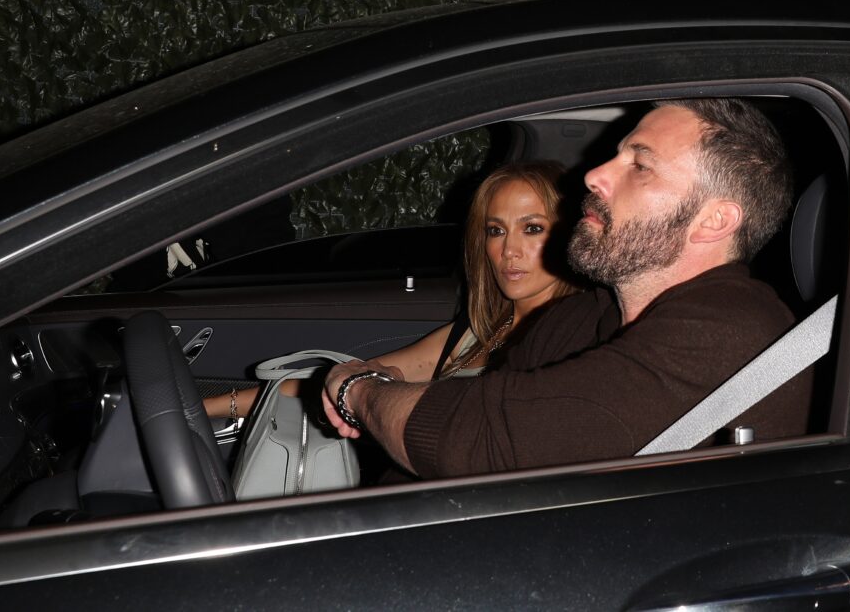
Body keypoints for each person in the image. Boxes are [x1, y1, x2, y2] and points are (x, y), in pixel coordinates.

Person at [321, 98, 813, 478]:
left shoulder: (733, 331)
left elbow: (475, 440)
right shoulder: (580, 318)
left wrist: (357, 390)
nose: (594, 175)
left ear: (713, 221)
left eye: (640, 165)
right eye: (616, 156)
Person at [204, 161, 581, 419]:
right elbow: (337, 385)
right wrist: (208, 409)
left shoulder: (571, 341)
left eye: (532, 228)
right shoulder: (475, 334)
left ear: (570, 235)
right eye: (496, 230)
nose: (508, 250)